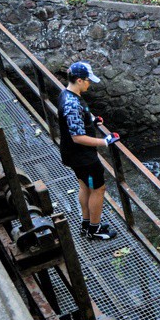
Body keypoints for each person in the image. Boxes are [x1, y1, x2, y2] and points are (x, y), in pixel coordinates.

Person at [58, 61, 120, 240]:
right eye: (87, 80)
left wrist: (91, 122)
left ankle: (87, 224)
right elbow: (77, 137)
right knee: (98, 189)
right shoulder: (72, 104)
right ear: (79, 80)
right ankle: (95, 229)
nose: (89, 83)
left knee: (85, 186)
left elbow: (73, 124)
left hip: (73, 155)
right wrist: (105, 141)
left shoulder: (66, 94)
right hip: (83, 157)